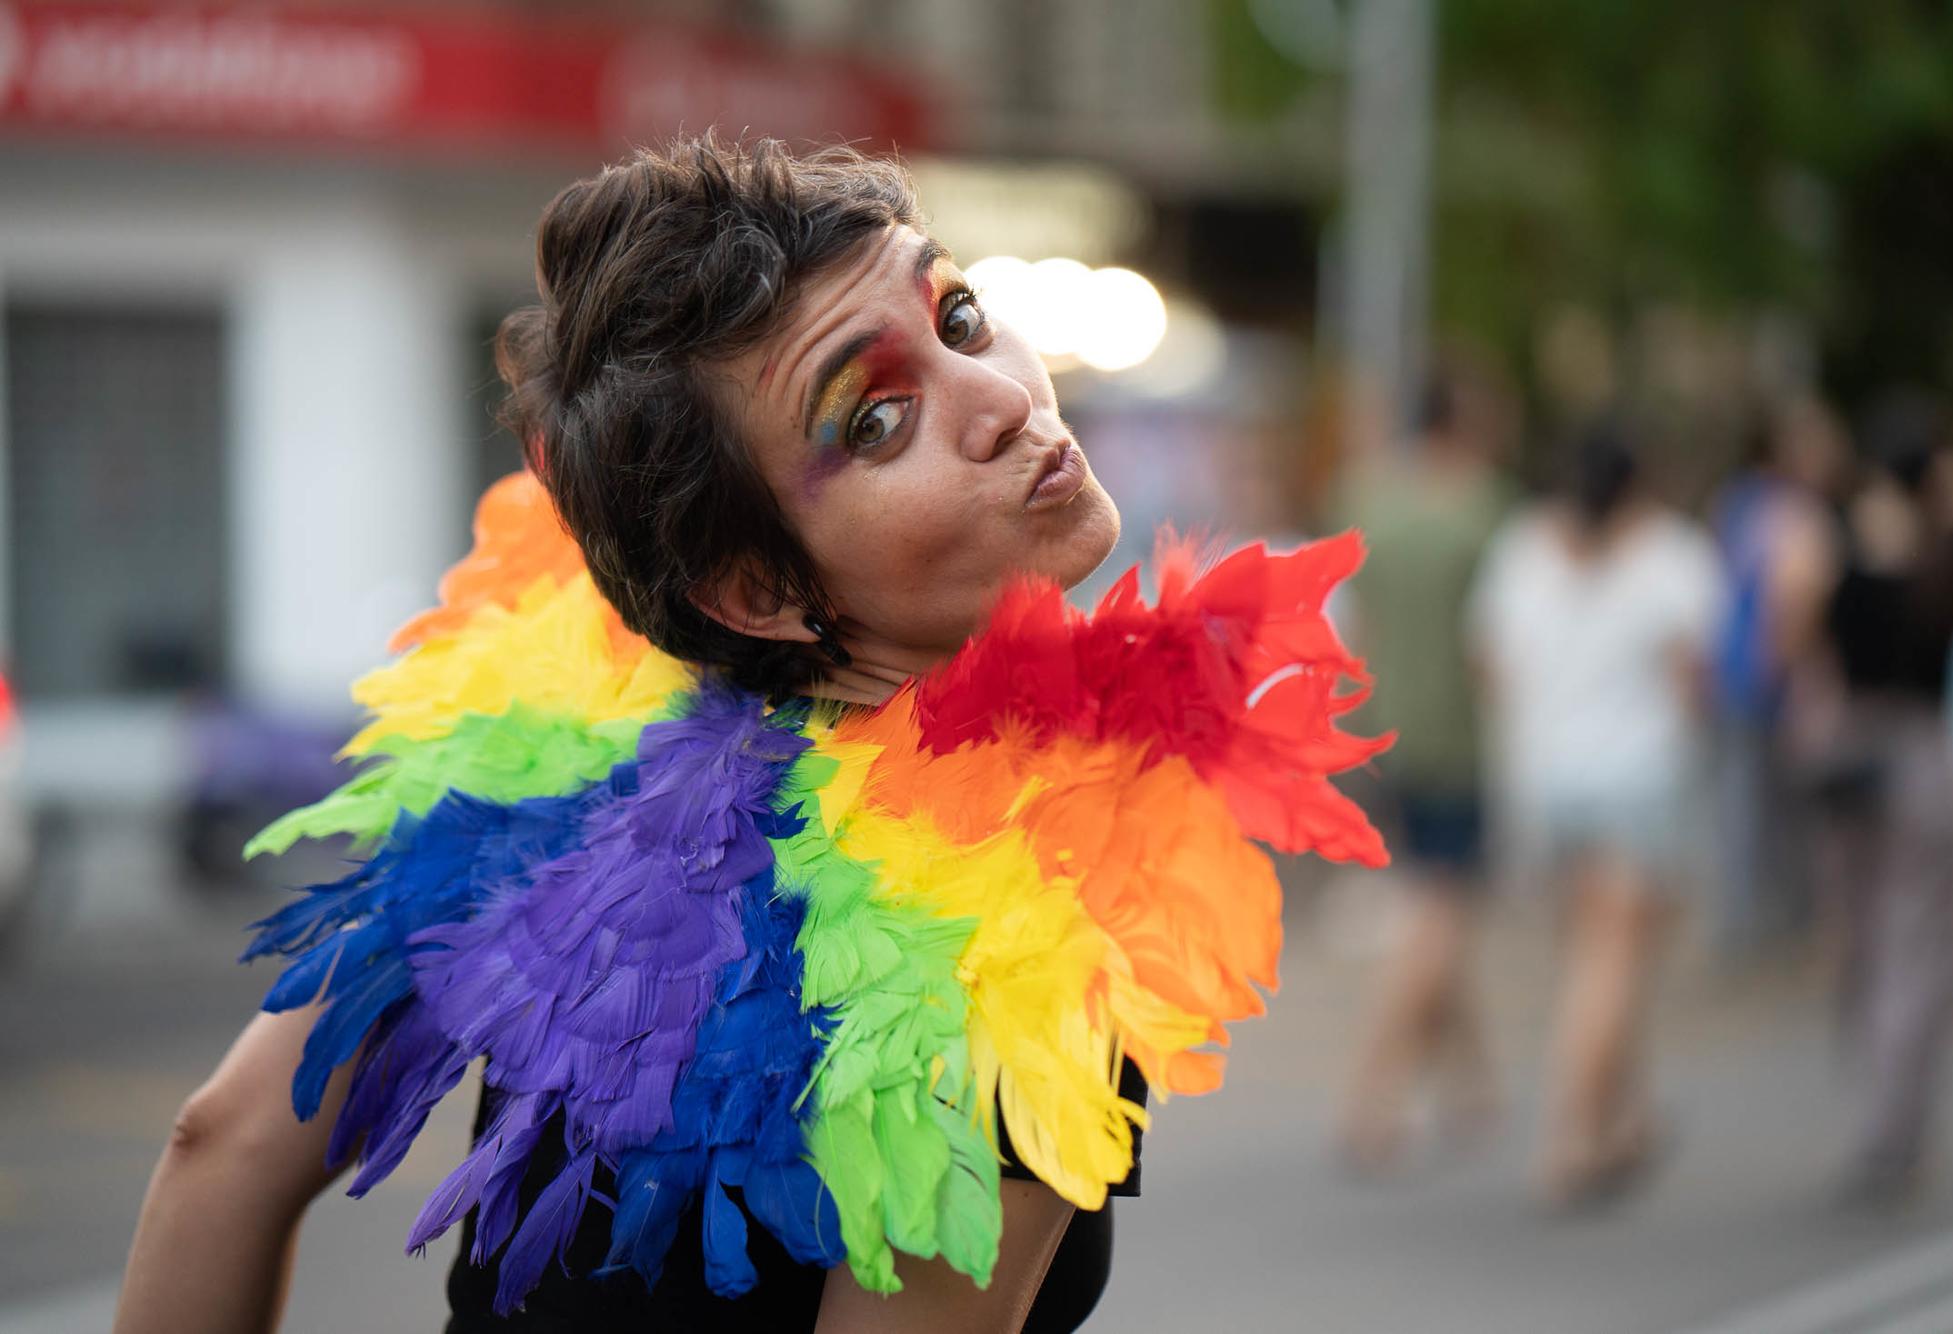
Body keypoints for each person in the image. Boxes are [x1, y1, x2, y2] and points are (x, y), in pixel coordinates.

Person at [112, 135, 1386, 1334]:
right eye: (873, 420)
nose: (998, 397)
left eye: (954, 318)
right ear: (756, 593)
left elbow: (218, 1147)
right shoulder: (1019, 913)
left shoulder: (568, 742)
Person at [1467, 417, 1723, 1206]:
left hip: (1544, 777)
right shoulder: (1675, 556)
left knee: (1590, 954)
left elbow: (1489, 661)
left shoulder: (1524, 546)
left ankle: (1623, 1119)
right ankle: (1570, 1138)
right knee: (1613, 962)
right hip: (1636, 780)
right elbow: (1693, 682)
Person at [1808, 391, 1953, 1209]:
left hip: (1848, 748)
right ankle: (1893, 1124)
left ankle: (1872, 1107)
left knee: (1863, 934)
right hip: (1922, 754)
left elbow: (1803, 638)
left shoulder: (1835, 542)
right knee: (1917, 943)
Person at [1332, 366, 1514, 1171]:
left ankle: (1474, 1086)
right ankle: (1376, 1096)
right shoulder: (1483, 512)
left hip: (1383, 726)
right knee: (1439, 910)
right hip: (1461, 734)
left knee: (1436, 900)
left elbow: (1353, 622)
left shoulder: (1368, 499)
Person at [1708, 397, 1845, 957]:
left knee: (1744, 802)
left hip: (1735, 671)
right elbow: (1792, 598)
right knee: (1783, 807)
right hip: (1773, 677)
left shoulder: (1736, 502)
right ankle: (1779, 921)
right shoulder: (1795, 511)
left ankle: (1746, 920)